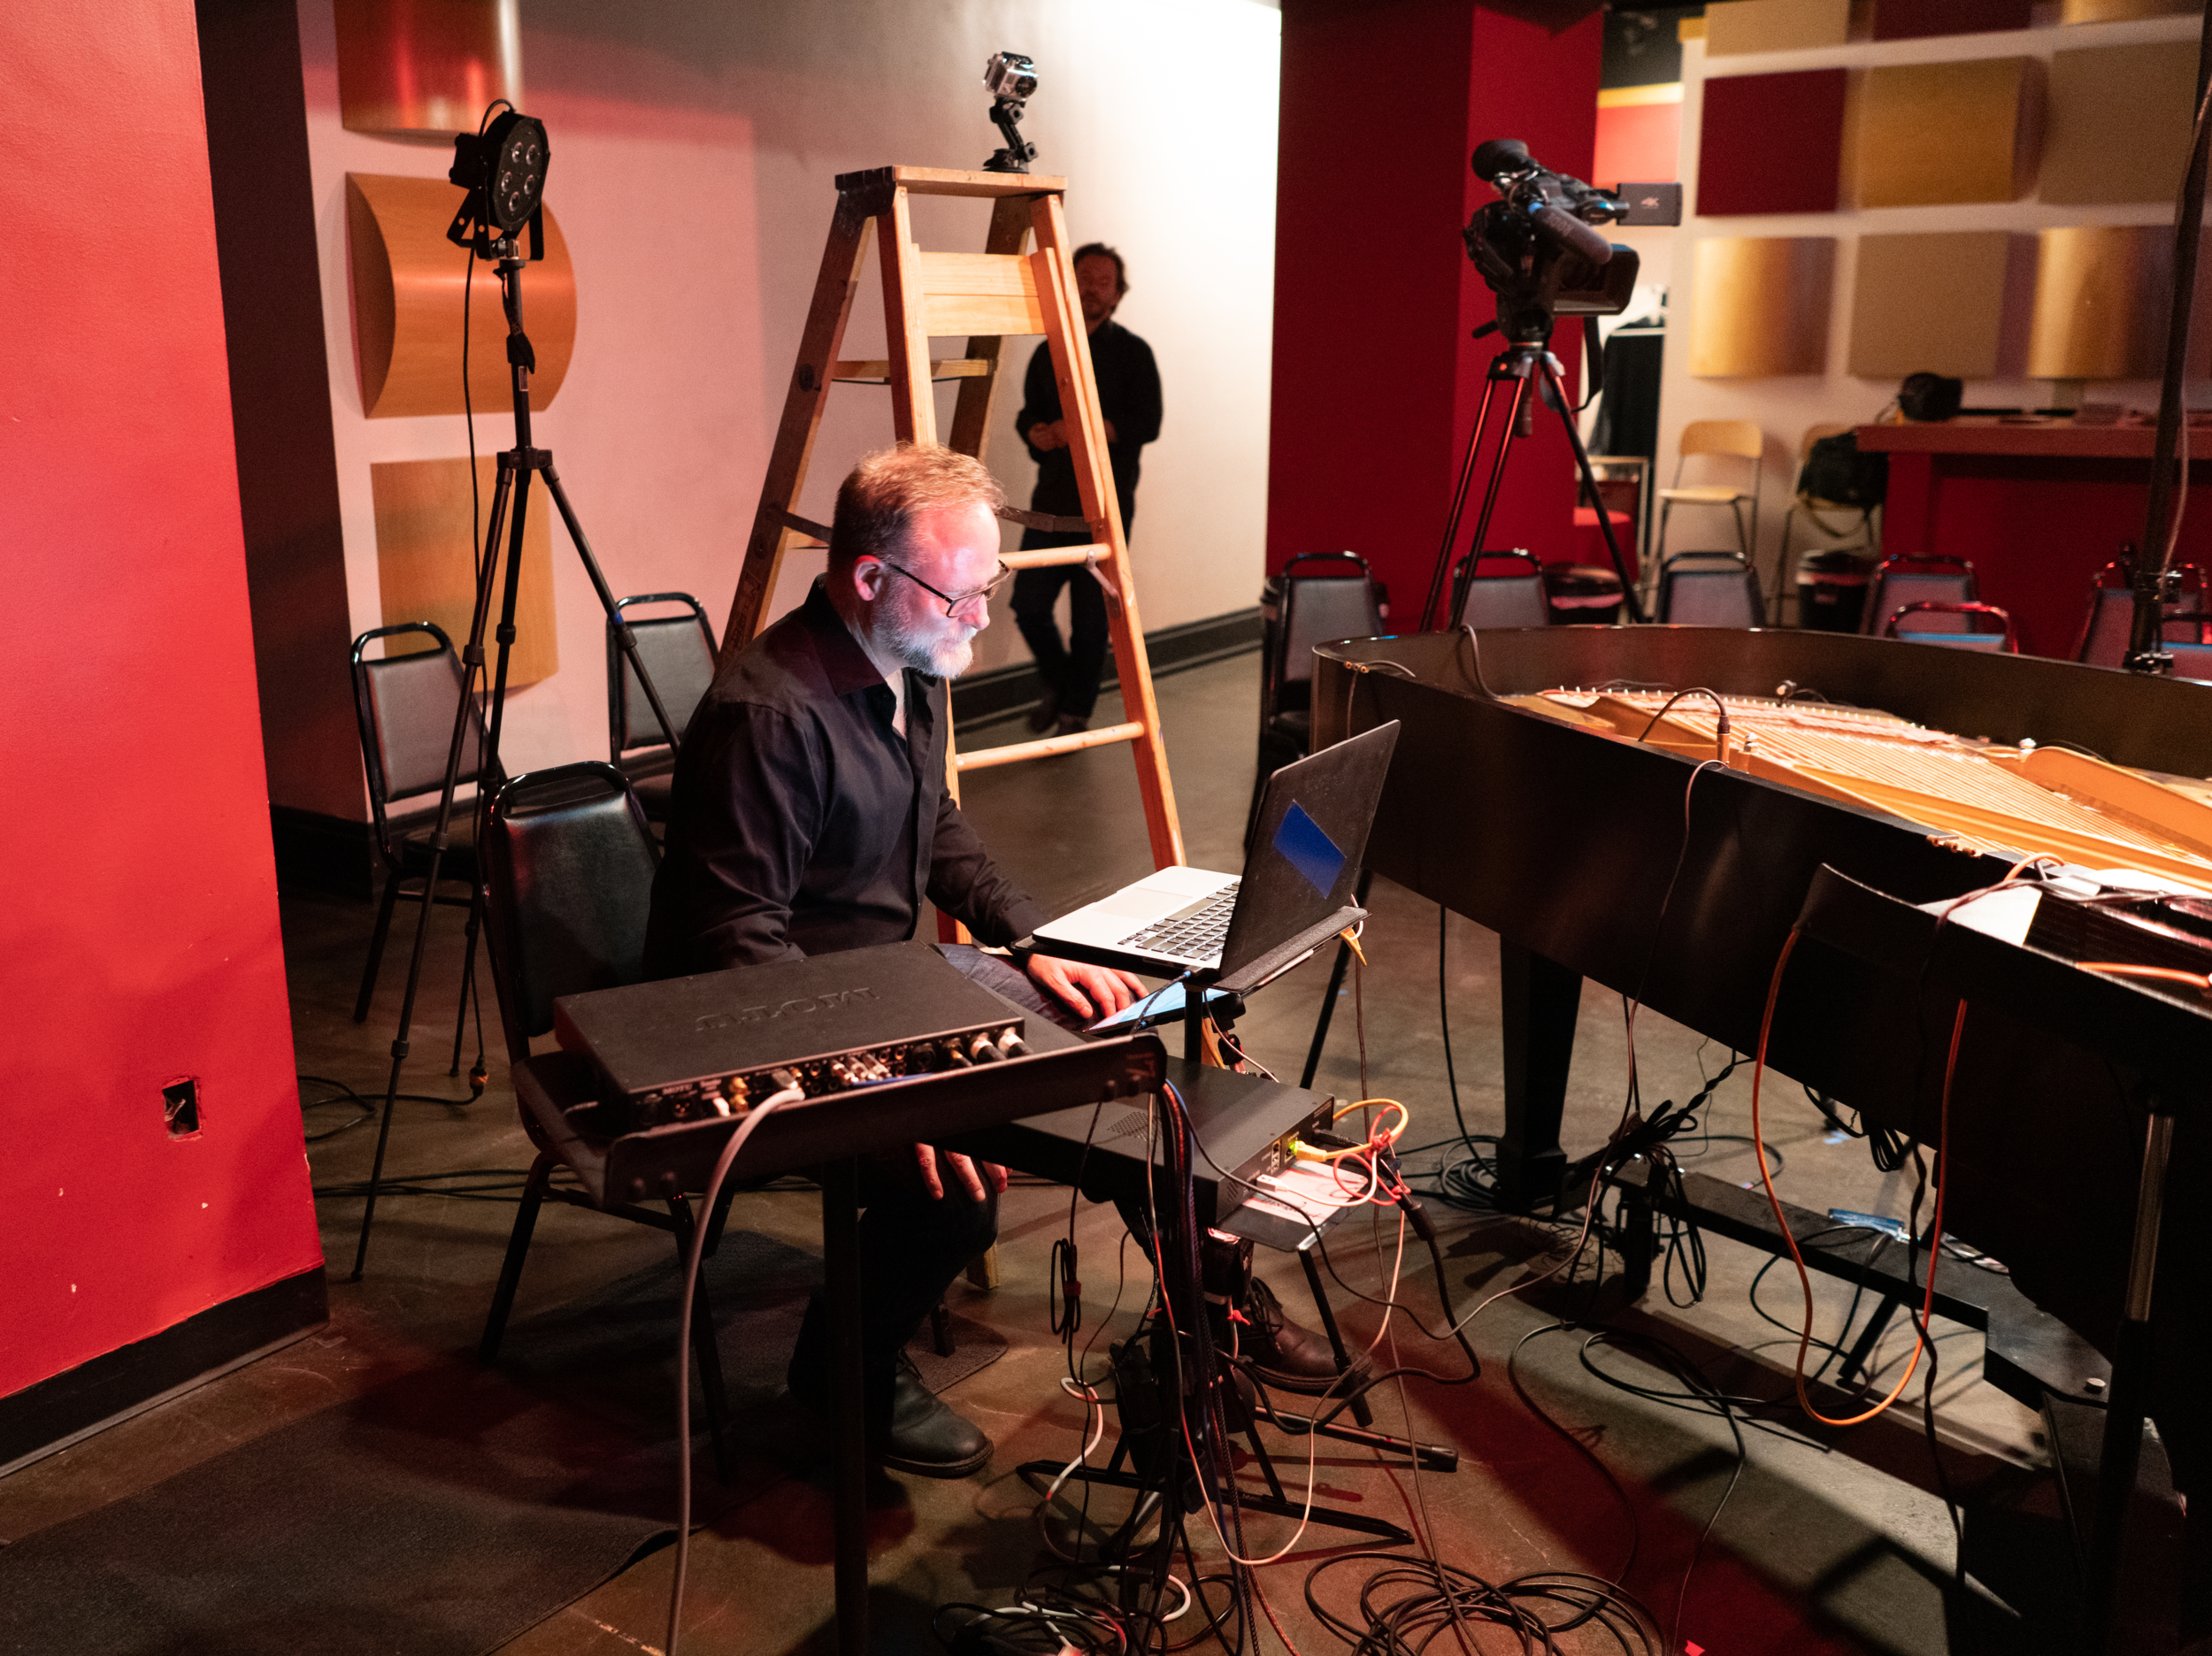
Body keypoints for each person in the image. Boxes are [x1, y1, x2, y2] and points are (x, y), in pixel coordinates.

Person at [642, 442, 1148, 1477]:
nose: (980, 618)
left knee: (1128, 1071)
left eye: (987, 589)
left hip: (873, 996)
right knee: (954, 1193)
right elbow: (739, 951)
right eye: (960, 595)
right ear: (871, 577)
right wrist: (882, 1082)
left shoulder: (909, 658)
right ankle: (838, 1372)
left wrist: (1031, 939)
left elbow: (936, 825)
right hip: (759, 1032)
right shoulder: (767, 717)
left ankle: (1215, 1323)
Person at [1013, 242, 1162, 737]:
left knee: (1092, 618)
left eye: (1103, 281)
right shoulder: (1048, 350)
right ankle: (1058, 683)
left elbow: (1147, 422)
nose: (1091, 287)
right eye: (1083, 277)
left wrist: (1084, 429)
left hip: (1106, 505)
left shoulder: (1135, 353)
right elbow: (1030, 411)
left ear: (1118, 294)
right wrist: (1035, 430)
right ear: (1068, 284)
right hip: (1051, 502)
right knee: (1027, 604)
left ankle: (1077, 711)